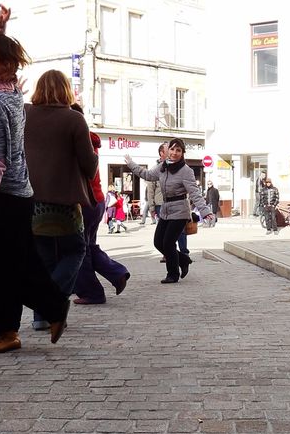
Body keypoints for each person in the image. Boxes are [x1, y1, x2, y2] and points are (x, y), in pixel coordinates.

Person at [0, 11, 70, 353]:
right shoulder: (9, 93)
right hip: (18, 194)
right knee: (18, 263)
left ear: (3, 63)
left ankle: (17, 326)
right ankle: (18, 325)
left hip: (5, 195)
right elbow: (7, 66)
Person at [24, 69, 98, 318]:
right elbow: (89, 165)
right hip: (65, 201)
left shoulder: (24, 113)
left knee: (44, 257)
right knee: (76, 249)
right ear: (67, 90)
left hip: (31, 199)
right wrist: (94, 158)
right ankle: (51, 302)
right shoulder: (74, 119)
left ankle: (40, 319)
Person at [125, 139, 215, 283]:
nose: (174, 153)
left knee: (168, 243)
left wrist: (205, 211)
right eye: (172, 149)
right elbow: (146, 175)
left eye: (178, 150)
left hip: (180, 210)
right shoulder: (162, 167)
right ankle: (184, 260)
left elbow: (195, 193)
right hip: (166, 210)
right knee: (158, 242)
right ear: (168, 151)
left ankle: (172, 274)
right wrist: (131, 163)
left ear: (182, 153)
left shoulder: (186, 171)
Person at [73, 107, 130, 305]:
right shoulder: (89, 139)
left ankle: (93, 292)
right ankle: (116, 273)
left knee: (79, 249)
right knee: (87, 246)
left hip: (84, 202)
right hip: (95, 201)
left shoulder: (78, 140)